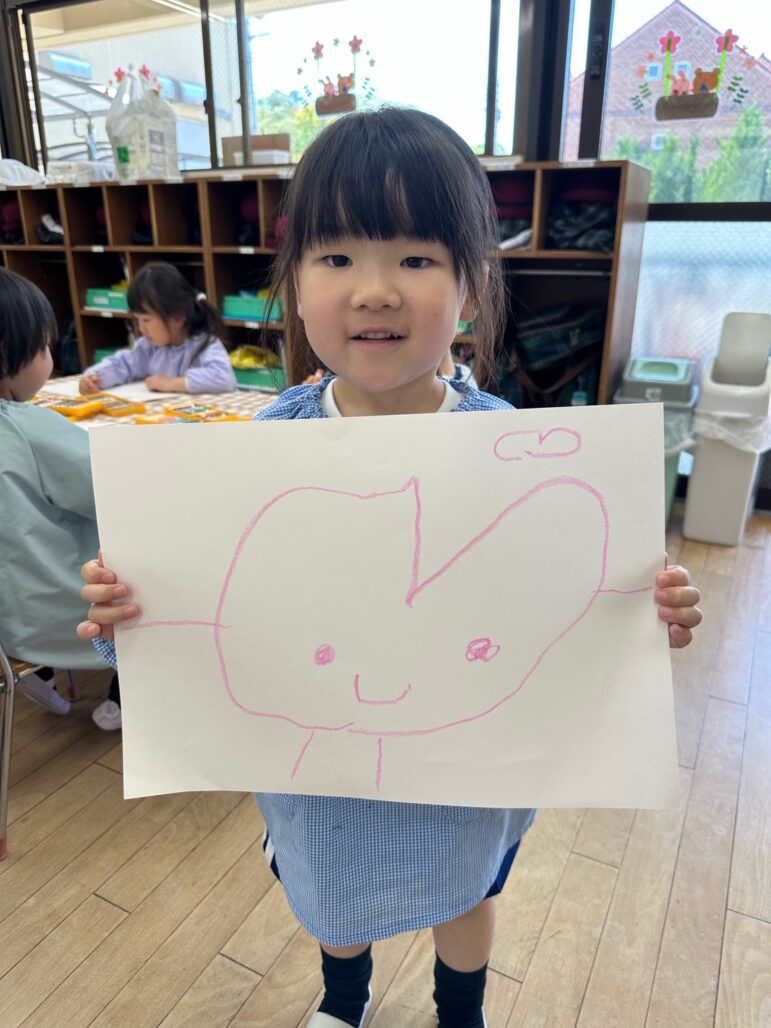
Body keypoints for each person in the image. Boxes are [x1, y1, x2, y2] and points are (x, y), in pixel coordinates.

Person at [77, 108, 702, 1028]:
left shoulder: (513, 449)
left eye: (414, 258)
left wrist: (643, 615)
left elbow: (562, 610)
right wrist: (131, 609)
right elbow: (209, 617)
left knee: (464, 891)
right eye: (335, 257)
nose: (373, 291)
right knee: (332, 892)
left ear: (472, 287)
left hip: (464, 756)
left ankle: (460, 1011)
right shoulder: (257, 452)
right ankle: (345, 999)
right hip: (319, 761)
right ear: (293, 288)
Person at [0, 267, 121, 728]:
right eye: (45, 346)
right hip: (69, 617)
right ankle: (126, 691)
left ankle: (41, 674)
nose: (50, 356)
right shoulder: (27, 429)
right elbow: (111, 490)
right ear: (8, 353)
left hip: (10, 623)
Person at [79, 261, 236, 395]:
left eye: (146, 320)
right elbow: (123, 364)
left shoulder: (203, 344)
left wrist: (173, 383)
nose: (141, 328)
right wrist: (95, 377)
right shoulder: (149, 347)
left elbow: (224, 378)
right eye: (138, 320)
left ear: (178, 318)